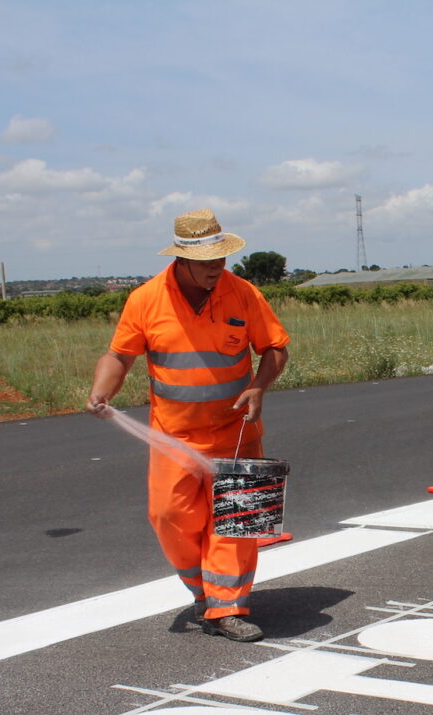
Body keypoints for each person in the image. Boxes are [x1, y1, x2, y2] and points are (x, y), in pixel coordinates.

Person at [87, 209, 290, 642]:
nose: (219, 268)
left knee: (235, 524)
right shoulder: (145, 299)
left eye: (222, 259)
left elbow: (274, 348)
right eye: (208, 262)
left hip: (235, 432)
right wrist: (102, 391)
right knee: (170, 516)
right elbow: (120, 355)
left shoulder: (244, 294)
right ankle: (202, 596)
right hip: (172, 437)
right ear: (182, 260)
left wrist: (259, 388)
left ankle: (226, 608)